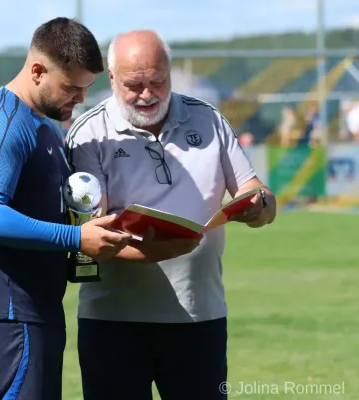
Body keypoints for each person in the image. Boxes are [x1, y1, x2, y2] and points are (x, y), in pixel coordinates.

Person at [65, 30, 277, 400]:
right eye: (134, 85)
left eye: (158, 81)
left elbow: (257, 192)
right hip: (113, 323)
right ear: (112, 78)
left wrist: (258, 206)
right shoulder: (89, 133)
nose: (147, 94)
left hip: (200, 317)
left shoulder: (208, 119)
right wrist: (154, 251)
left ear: (170, 73)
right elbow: (87, 236)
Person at [0, 17, 131, 400]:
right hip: (4, 315)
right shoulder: (2, 122)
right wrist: (76, 236)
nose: (80, 98)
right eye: (71, 87)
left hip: (32, 313)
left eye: (86, 88)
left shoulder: (43, 125)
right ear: (37, 71)